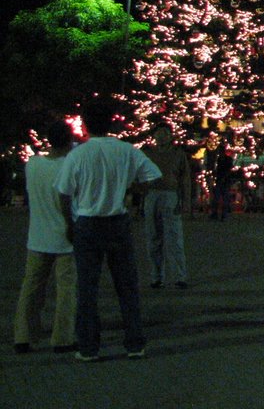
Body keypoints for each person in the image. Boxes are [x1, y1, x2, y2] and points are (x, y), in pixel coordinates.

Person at [54, 99, 162, 361]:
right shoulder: (126, 150)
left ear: (86, 124)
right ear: (112, 122)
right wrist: (132, 191)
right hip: (118, 221)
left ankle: (89, 346)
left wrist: (70, 223)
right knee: (126, 285)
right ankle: (134, 343)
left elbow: (64, 193)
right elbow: (153, 175)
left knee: (87, 288)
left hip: (88, 223)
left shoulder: (78, 155)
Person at [13, 121, 76, 354]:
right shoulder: (67, 167)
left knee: (31, 287)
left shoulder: (33, 164)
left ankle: (23, 335)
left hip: (37, 235)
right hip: (64, 237)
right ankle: (62, 338)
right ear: (68, 141)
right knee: (66, 288)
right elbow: (67, 199)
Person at [142, 125, 190, 289]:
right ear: (154, 136)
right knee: (153, 237)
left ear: (171, 136)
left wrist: (185, 201)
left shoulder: (178, 154)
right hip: (152, 194)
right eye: (159, 133)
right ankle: (156, 276)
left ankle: (180, 275)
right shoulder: (148, 154)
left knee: (174, 237)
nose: (162, 137)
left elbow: (185, 178)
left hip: (170, 194)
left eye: (165, 134)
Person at [210, 138, 235, 220]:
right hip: (220, 179)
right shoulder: (219, 160)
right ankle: (216, 214)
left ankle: (223, 215)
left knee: (223, 198)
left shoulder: (227, 160)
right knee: (217, 198)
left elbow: (229, 170)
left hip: (225, 180)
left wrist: (224, 177)